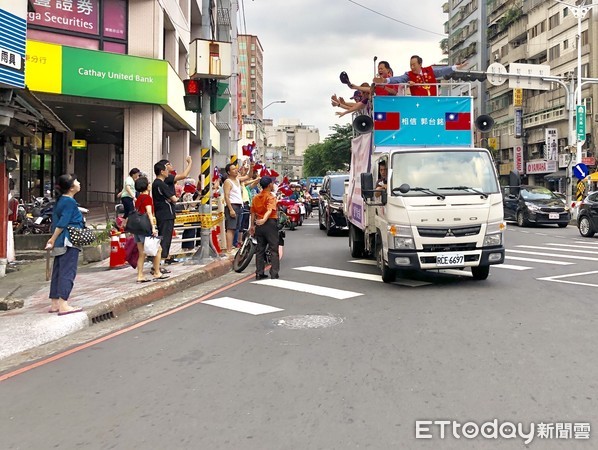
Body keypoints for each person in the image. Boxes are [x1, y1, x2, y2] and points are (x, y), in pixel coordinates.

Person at [45, 174, 85, 316]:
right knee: (68, 271)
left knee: (58, 270)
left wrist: (54, 240)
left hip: (61, 241)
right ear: (71, 187)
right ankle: (64, 304)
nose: (79, 182)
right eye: (76, 181)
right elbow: (63, 222)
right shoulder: (69, 202)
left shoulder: (61, 200)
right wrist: (52, 238)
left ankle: (55, 303)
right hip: (68, 240)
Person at [153, 156, 192, 265]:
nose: (169, 169)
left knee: (165, 237)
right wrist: (190, 163)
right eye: (167, 166)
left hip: (162, 213)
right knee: (165, 238)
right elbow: (174, 199)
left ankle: (164, 258)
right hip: (165, 214)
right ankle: (161, 263)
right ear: (162, 171)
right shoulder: (162, 182)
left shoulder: (157, 183)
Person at [373, 55, 466, 96]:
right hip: (418, 103)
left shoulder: (429, 71)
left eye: (414, 65)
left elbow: (442, 71)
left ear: (420, 64)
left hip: (432, 101)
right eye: (411, 65)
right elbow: (399, 79)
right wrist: (386, 81)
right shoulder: (408, 75)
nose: (412, 67)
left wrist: (456, 67)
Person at [133, 176, 169, 282]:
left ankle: (140, 275)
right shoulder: (147, 198)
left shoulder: (138, 199)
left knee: (141, 253)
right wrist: (153, 227)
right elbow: (149, 212)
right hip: (145, 228)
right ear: (145, 185)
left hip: (137, 229)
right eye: (148, 183)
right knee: (158, 250)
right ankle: (157, 272)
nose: (150, 185)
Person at [250, 176, 280, 280]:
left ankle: (259, 273)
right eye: (272, 183)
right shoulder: (270, 197)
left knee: (260, 249)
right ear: (269, 185)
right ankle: (274, 273)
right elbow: (270, 210)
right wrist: (264, 219)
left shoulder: (256, 197)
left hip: (259, 225)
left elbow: (253, 212)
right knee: (273, 249)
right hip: (270, 223)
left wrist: (252, 226)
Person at [223, 162, 244, 254]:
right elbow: (226, 196)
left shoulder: (238, 180)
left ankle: (231, 247)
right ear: (228, 172)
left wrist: (250, 167)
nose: (236, 170)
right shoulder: (228, 182)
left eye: (236, 168)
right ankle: (229, 249)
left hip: (239, 205)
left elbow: (249, 176)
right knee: (230, 228)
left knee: (236, 228)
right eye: (233, 169)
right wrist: (231, 209)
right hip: (233, 205)